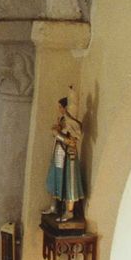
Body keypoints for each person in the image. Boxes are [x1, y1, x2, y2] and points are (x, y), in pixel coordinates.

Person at [43, 87, 85, 221]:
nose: (60, 109)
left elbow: (71, 141)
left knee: (69, 183)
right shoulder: (62, 120)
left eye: (61, 107)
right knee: (56, 178)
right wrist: (56, 131)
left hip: (68, 155)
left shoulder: (74, 124)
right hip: (59, 153)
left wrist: (58, 135)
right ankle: (54, 206)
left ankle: (69, 211)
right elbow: (57, 131)